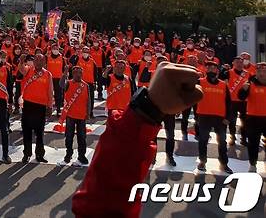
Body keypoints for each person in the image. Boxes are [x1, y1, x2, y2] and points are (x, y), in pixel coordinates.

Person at [72, 62, 203, 217]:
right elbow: (105, 203)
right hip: (120, 115)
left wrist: (140, 113)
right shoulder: (112, 77)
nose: (120, 67)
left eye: (122, 64)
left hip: (127, 115)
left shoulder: (128, 79)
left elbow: (99, 205)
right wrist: (143, 113)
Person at [195, 61, 232, 173]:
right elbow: (192, 97)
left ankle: (224, 163)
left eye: (214, 68)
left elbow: (229, 103)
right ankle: (202, 161)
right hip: (204, 116)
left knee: (222, 142)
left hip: (220, 118)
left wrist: (228, 118)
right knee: (203, 140)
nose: (211, 70)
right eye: (209, 68)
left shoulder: (223, 85)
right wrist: (196, 116)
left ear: (217, 70)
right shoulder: (199, 82)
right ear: (206, 70)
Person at [16, 53, 53, 163]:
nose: (38, 62)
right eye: (36, 59)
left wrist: (50, 106)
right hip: (28, 105)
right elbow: (21, 69)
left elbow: (50, 92)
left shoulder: (48, 74)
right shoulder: (28, 70)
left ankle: (40, 155)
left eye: (41, 60)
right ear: (34, 61)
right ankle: (27, 154)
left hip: (40, 107)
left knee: (39, 132)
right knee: (27, 131)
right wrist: (21, 61)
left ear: (44, 62)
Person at [58, 65, 90, 167]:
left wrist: (88, 113)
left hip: (81, 116)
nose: (77, 74)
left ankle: (82, 156)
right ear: (72, 73)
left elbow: (88, 100)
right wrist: (65, 73)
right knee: (69, 137)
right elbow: (61, 84)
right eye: (75, 72)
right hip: (70, 115)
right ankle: (68, 155)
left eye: (80, 72)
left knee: (82, 138)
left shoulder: (85, 85)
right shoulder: (68, 83)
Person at [237, 62, 266, 172]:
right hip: (253, 118)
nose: (262, 73)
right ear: (256, 72)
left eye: (264, 71)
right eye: (259, 71)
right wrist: (243, 89)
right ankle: (253, 164)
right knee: (253, 143)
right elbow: (241, 97)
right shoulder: (249, 83)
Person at [221, 57, 249, 146]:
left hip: (244, 101)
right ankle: (232, 137)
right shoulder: (228, 73)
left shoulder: (248, 74)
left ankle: (244, 138)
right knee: (232, 121)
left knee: (244, 121)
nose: (239, 64)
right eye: (237, 62)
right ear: (233, 63)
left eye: (241, 62)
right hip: (232, 101)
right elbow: (221, 80)